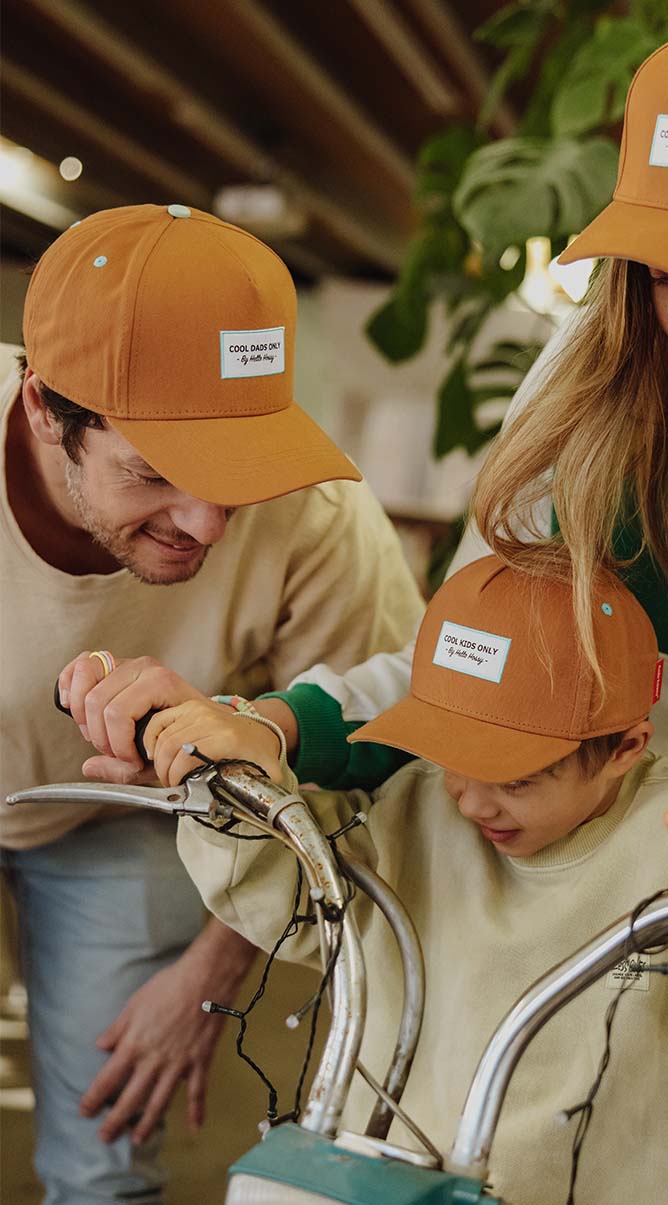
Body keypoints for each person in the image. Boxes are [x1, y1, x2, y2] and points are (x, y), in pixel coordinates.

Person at [62, 18, 668, 1202]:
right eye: (661, 273)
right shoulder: (590, 373)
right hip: (540, 937)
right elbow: (467, 664)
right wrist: (271, 728)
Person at [136, 554, 668, 1205]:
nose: (471, 799)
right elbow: (290, 898)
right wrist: (224, 784)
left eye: (515, 780)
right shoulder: (418, 806)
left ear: (625, 748)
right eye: (453, 757)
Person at [1, 203, 424, 1205]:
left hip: (118, 819)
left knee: (102, 1152)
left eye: (234, 472)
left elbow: (370, 750)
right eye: (152, 474)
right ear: (42, 412)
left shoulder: (318, 515)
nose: (204, 522)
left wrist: (215, 966)